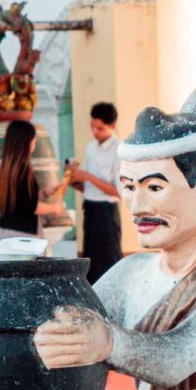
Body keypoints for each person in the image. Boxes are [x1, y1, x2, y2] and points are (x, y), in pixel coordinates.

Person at [34, 84, 196, 390]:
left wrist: (109, 342)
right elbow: (65, 315)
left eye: (155, 187)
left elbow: (176, 357)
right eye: (129, 188)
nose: (136, 206)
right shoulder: (131, 274)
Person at [69, 102, 123, 283]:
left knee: (109, 262)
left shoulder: (119, 149)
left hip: (107, 211)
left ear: (112, 126)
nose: (95, 132)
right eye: (92, 126)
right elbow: (89, 189)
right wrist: (73, 182)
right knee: (90, 263)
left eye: (100, 128)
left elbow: (118, 191)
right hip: (90, 209)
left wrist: (88, 176)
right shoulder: (90, 148)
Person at [0, 119, 70, 242]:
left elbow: (21, 201)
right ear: (27, 142)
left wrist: (44, 193)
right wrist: (55, 208)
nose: (34, 142)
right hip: (23, 236)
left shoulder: (7, 169)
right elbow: (32, 207)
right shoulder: (22, 171)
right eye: (33, 138)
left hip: (6, 232)